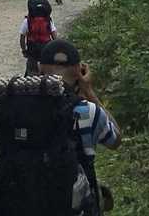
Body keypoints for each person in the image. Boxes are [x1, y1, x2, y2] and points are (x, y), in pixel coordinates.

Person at [37, 38, 121, 212]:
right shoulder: (89, 112)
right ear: (78, 70)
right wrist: (88, 90)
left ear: (39, 67)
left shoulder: (14, 108)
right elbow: (116, 140)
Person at [19, 0, 58, 76]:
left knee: (31, 67)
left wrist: (24, 50)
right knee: (47, 66)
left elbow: (22, 37)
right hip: (46, 46)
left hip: (32, 47)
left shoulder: (27, 21)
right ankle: (47, 78)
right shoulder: (48, 20)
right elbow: (54, 34)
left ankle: (30, 78)